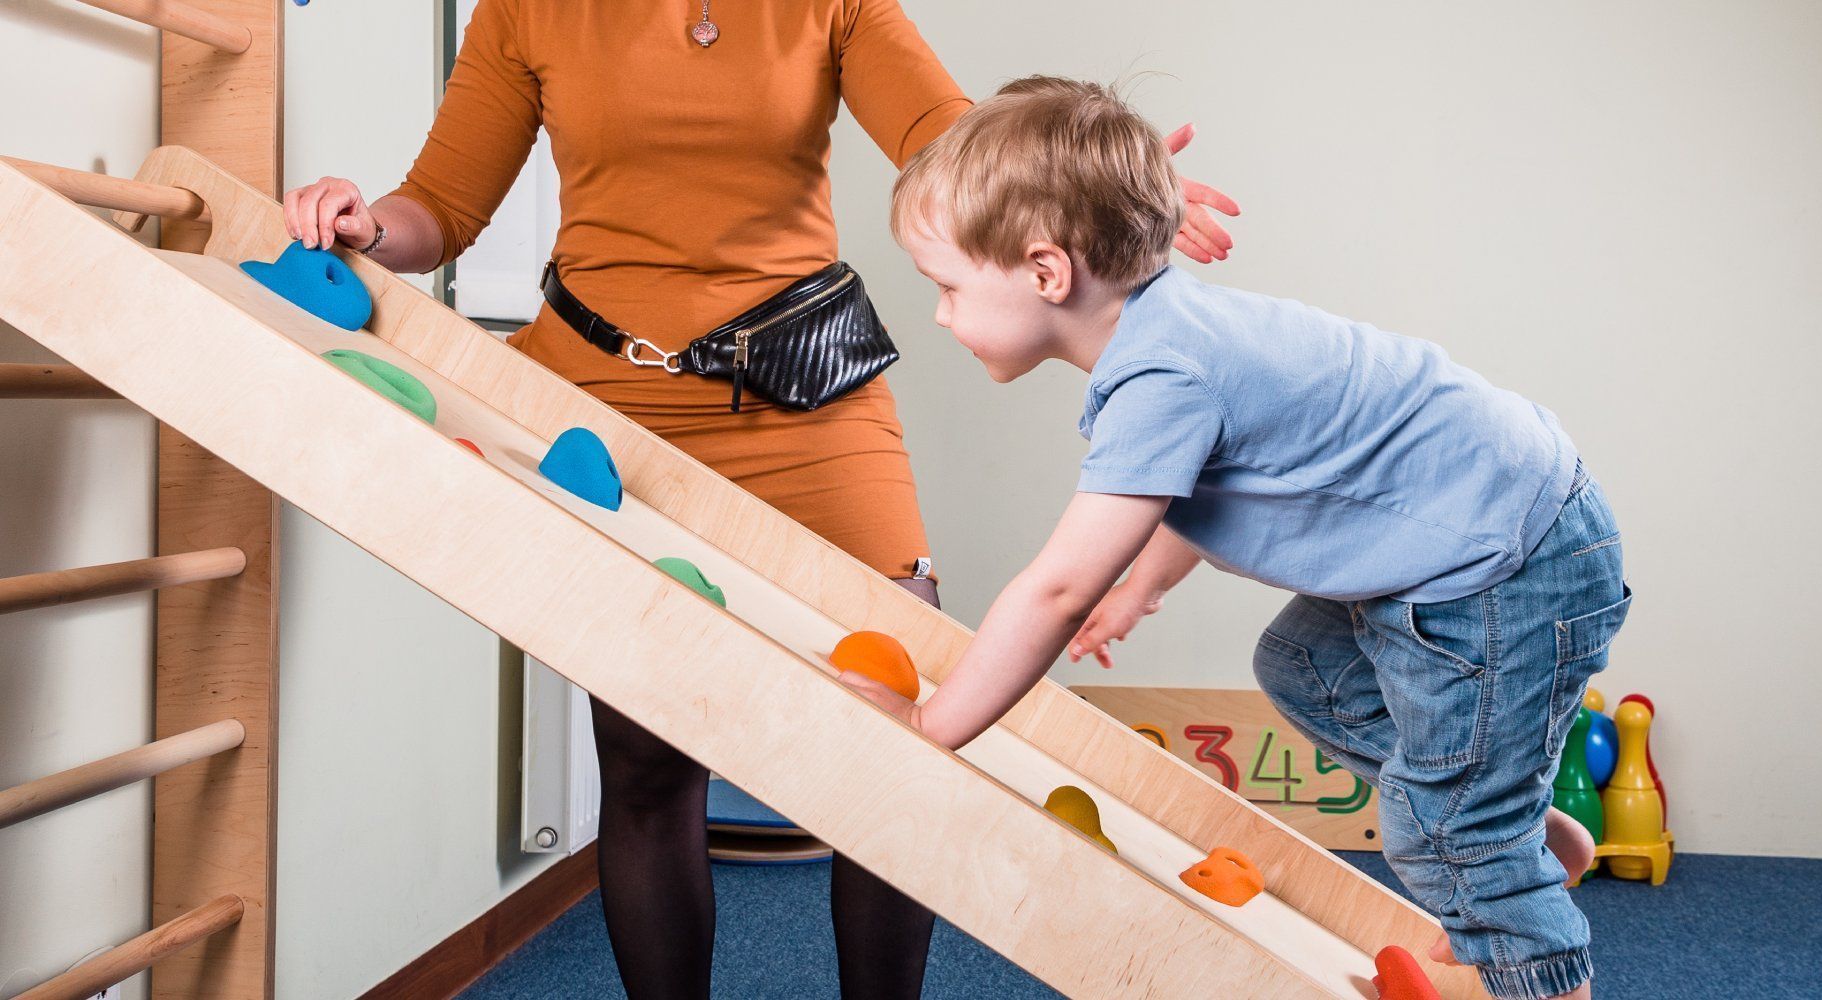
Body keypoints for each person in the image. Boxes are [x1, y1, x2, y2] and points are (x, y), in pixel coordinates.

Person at [277, 4, 1238, 997]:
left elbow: (957, 148)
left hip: (809, 389)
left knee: (898, 731)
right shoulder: (528, 9)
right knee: (648, 758)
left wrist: (1094, 197)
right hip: (603, 405)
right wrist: (365, 224)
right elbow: (440, 205)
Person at [844, 76, 1632, 1000]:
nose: (940, 312)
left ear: (1047, 273)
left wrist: (932, 730)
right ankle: (1509, 833)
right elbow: (1213, 488)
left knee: (1444, 828)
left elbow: (1055, 589)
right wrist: (1139, 588)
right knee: (1305, 667)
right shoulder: (1171, 325)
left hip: (1502, 560)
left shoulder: (1160, 378)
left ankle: (1510, 909)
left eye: (946, 286)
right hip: (1489, 526)